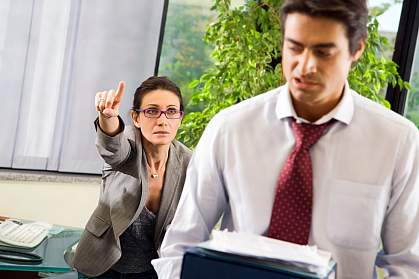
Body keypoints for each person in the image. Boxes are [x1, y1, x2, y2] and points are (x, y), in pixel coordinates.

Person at [152, 1, 419, 278]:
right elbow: (180, 246)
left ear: (357, 49)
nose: (305, 66)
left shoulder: (398, 142)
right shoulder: (230, 128)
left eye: (323, 52)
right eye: (295, 47)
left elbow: (408, 266)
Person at [71, 76, 192, 278]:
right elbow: (112, 148)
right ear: (136, 118)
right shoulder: (128, 143)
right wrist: (108, 118)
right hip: (103, 262)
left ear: (180, 118)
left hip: (152, 269)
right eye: (152, 111)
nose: (162, 120)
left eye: (171, 111)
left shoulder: (189, 162)